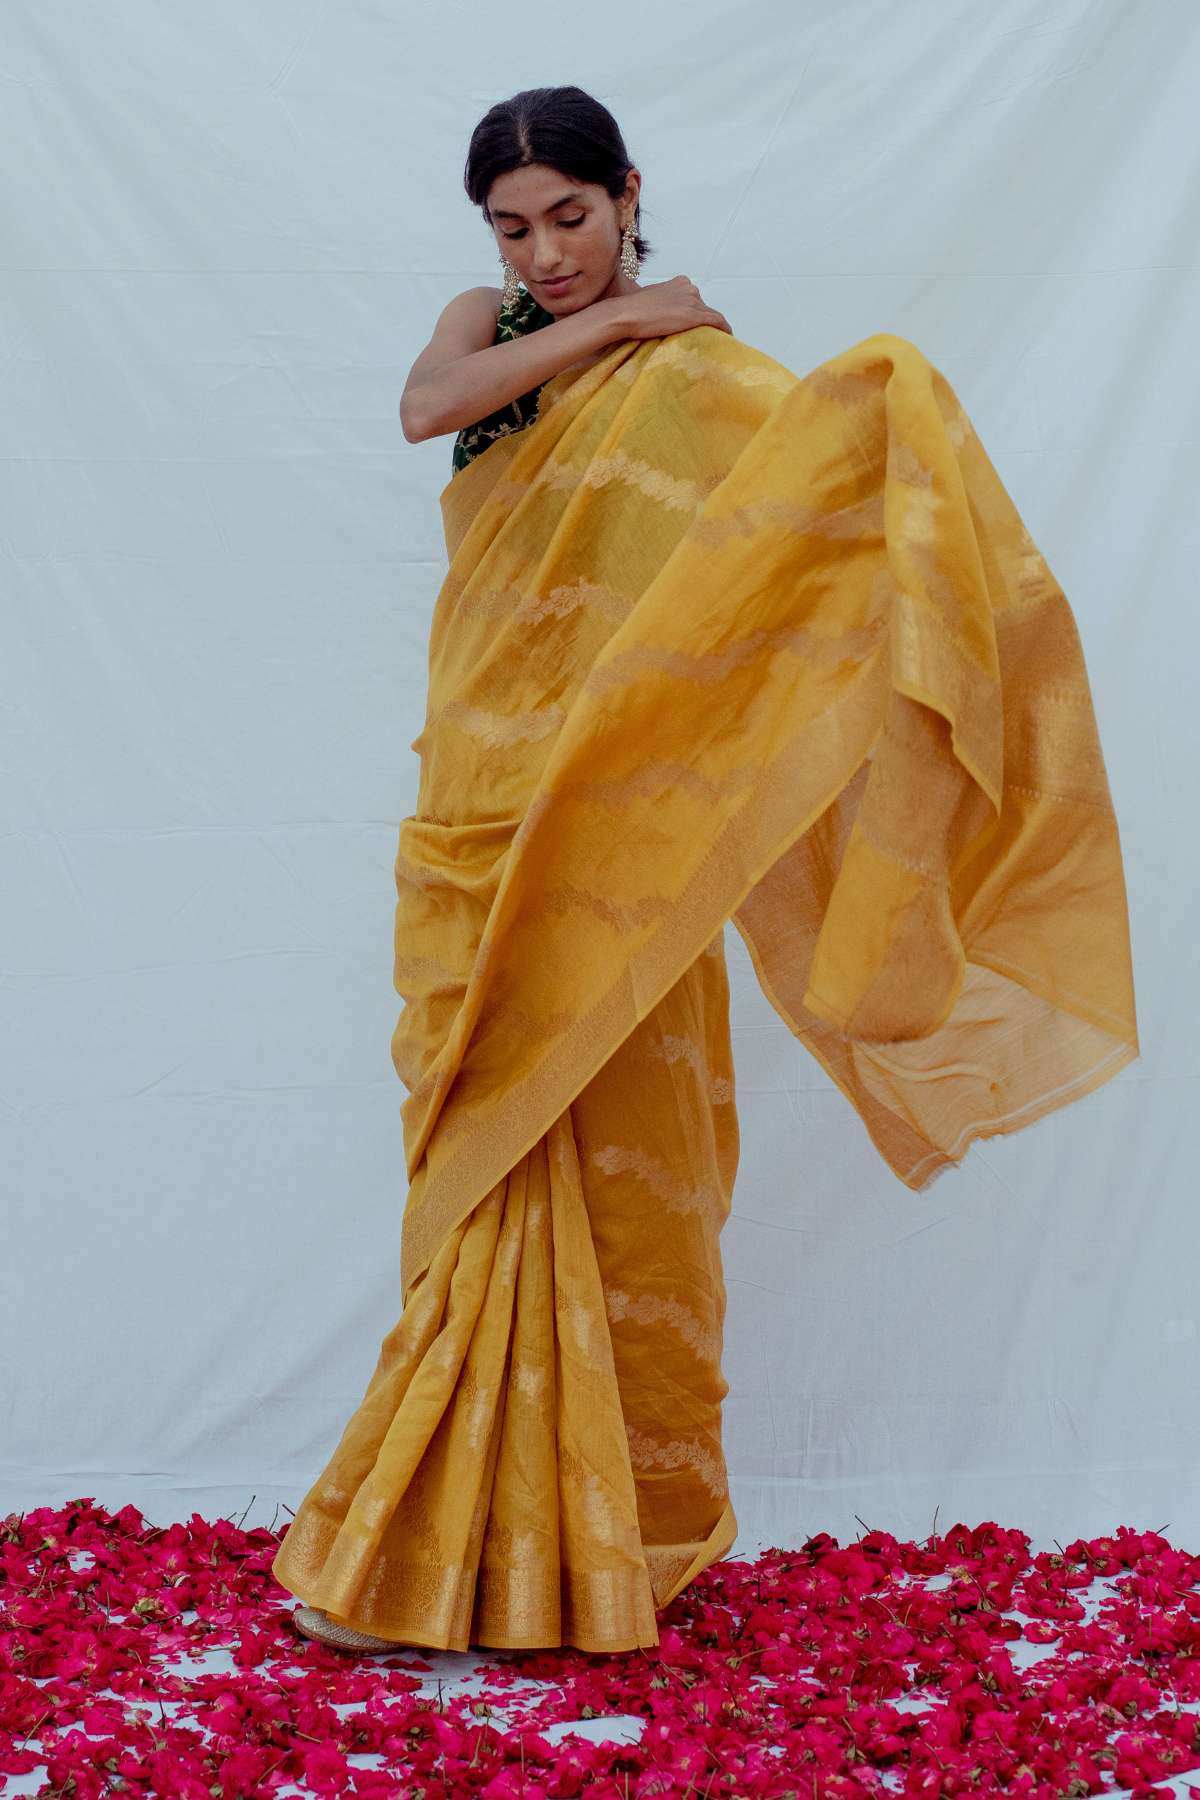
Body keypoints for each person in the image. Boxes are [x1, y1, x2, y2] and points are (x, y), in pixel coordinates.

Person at [272, 87, 1136, 1655]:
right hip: (472, 813)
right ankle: (446, 1549)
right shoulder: (502, 327)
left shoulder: (701, 378)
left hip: (620, 837)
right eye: (514, 228)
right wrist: (621, 317)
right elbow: (422, 406)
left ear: (627, 192)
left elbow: (818, 515)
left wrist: (843, 391)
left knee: (617, 1176)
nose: (545, 253)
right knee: (471, 1167)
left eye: (572, 218)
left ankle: (586, 1551)